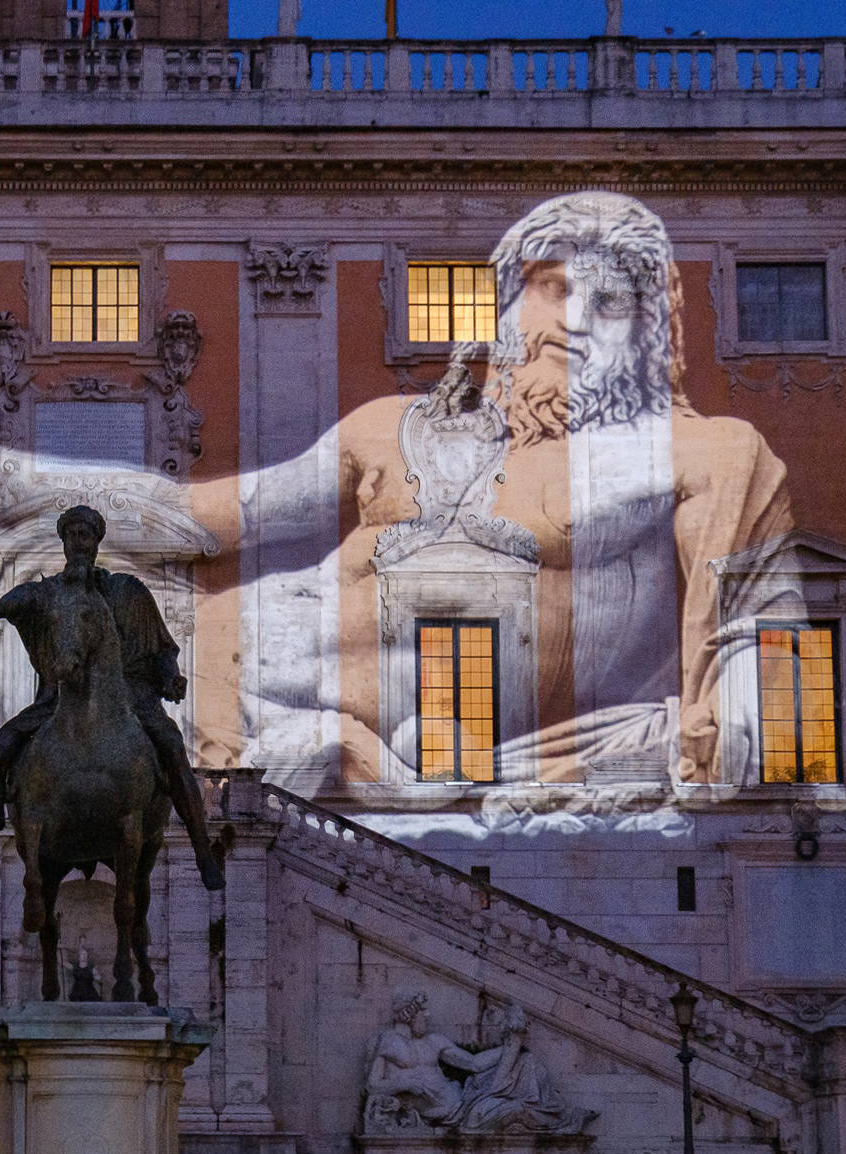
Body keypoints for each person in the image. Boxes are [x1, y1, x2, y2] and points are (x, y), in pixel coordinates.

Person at [338, 190, 795, 783]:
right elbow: (226, 515)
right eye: (553, 288)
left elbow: (760, 631)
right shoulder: (395, 428)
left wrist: (753, 728)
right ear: (508, 307)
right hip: (320, 696)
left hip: (564, 742)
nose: (573, 320)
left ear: (645, 333)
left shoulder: (708, 451)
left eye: (607, 302)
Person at [0, 504, 227, 904]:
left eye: (88, 536)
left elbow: (161, 647)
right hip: (59, 696)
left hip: (131, 698)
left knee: (172, 747)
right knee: (2, 747)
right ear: (64, 542)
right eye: (73, 536)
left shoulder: (127, 591)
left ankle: (204, 852)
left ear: (97, 542)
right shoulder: (45, 593)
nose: (80, 543)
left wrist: (170, 675)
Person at [449, 1003, 597, 1135]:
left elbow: (496, 1079)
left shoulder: (515, 1050)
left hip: (508, 1095)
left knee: (528, 1065)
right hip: (498, 1099)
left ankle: (562, 1113)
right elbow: (497, 1082)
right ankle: (564, 1116)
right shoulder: (512, 1049)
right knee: (522, 1098)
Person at [361, 990, 479, 1131]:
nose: (427, 1015)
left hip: (460, 1101)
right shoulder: (386, 1042)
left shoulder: (434, 1041)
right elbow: (372, 1086)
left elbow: (474, 1063)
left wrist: (507, 1048)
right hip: (438, 1111)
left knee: (497, 1104)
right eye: (423, 1011)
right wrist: (404, 1084)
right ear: (408, 1014)